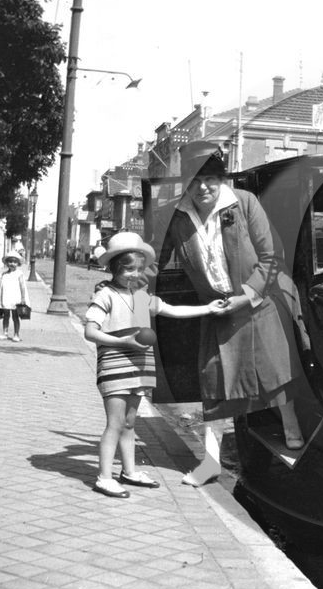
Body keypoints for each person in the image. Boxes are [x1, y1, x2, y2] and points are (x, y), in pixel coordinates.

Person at [158, 141, 306, 487]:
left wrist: (247, 295)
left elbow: (271, 257)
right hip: (217, 309)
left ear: (222, 179)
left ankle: (291, 425)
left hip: (257, 303)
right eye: (195, 181)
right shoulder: (178, 218)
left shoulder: (245, 203)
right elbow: (155, 259)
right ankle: (210, 462)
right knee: (213, 386)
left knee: (274, 371)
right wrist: (130, 290)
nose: (203, 188)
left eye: (211, 179)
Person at [84, 231, 228, 498]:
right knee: (114, 424)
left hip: (138, 369)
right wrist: (125, 341)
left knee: (129, 423)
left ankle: (128, 471)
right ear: (114, 266)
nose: (134, 274)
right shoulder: (105, 295)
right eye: (128, 269)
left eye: (138, 269)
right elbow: (90, 331)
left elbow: (173, 310)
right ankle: (104, 476)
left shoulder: (141, 296)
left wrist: (208, 308)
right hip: (115, 368)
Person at [0, 250, 30, 342]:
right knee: (6, 315)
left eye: (14, 262)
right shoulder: (4, 274)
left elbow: (22, 286)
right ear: (7, 263)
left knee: (15, 316)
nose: (12, 264)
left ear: (18, 263)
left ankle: (16, 334)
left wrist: (23, 298)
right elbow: (1, 287)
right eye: (10, 261)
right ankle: (5, 332)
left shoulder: (19, 274)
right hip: (6, 298)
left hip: (15, 298)